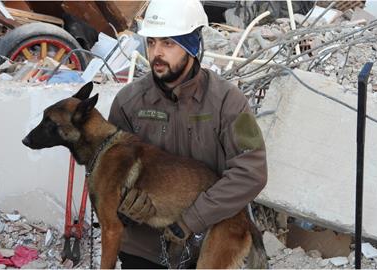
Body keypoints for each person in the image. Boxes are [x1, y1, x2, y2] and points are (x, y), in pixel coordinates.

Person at [108, 0, 267, 268]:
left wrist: (191, 220)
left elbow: (251, 173)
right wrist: (122, 204)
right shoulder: (128, 102)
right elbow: (107, 169)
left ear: (192, 46)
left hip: (206, 242)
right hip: (144, 247)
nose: (156, 53)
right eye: (151, 42)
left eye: (168, 43)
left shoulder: (228, 101)